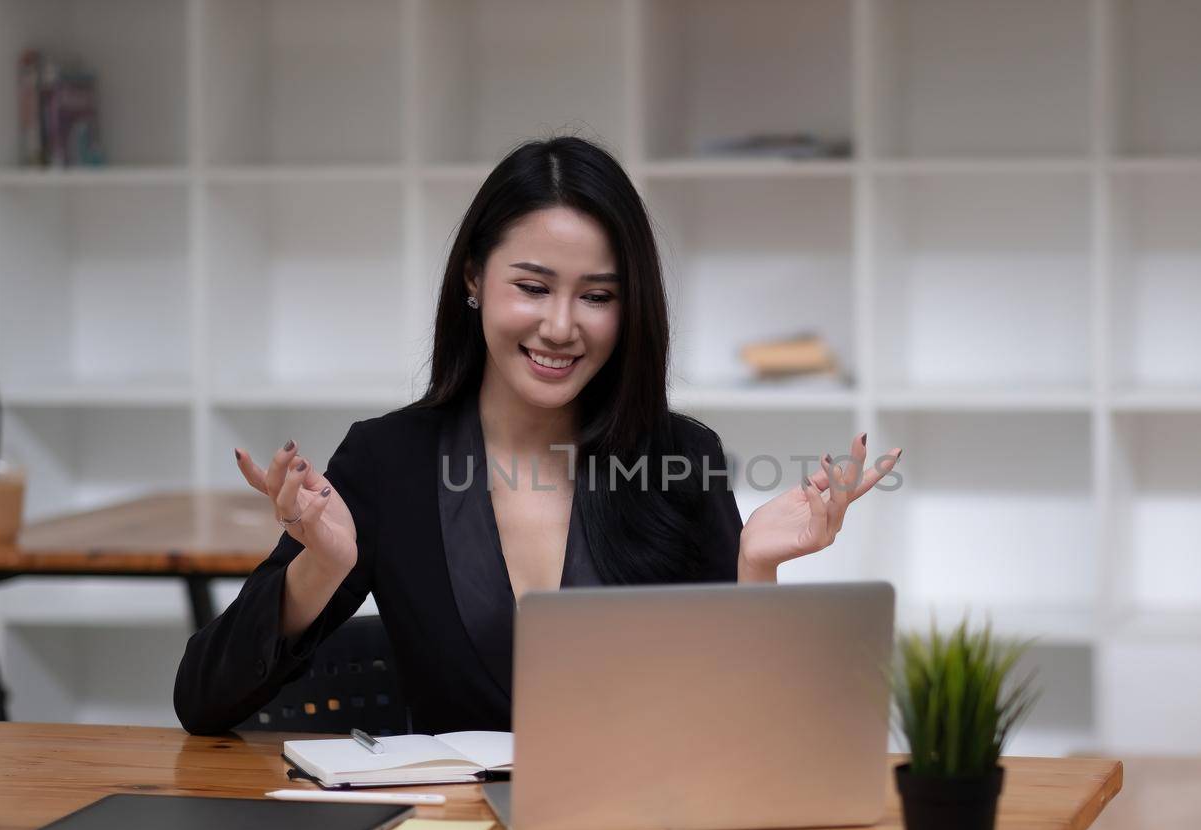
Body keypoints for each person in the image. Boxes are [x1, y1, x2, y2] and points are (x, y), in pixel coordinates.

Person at [173, 136, 902, 736]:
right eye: (532, 286)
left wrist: (753, 569)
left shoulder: (681, 460)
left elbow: (747, 731)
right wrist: (321, 567)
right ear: (473, 279)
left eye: (597, 295)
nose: (561, 325)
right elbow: (202, 700)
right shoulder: (386, 461)